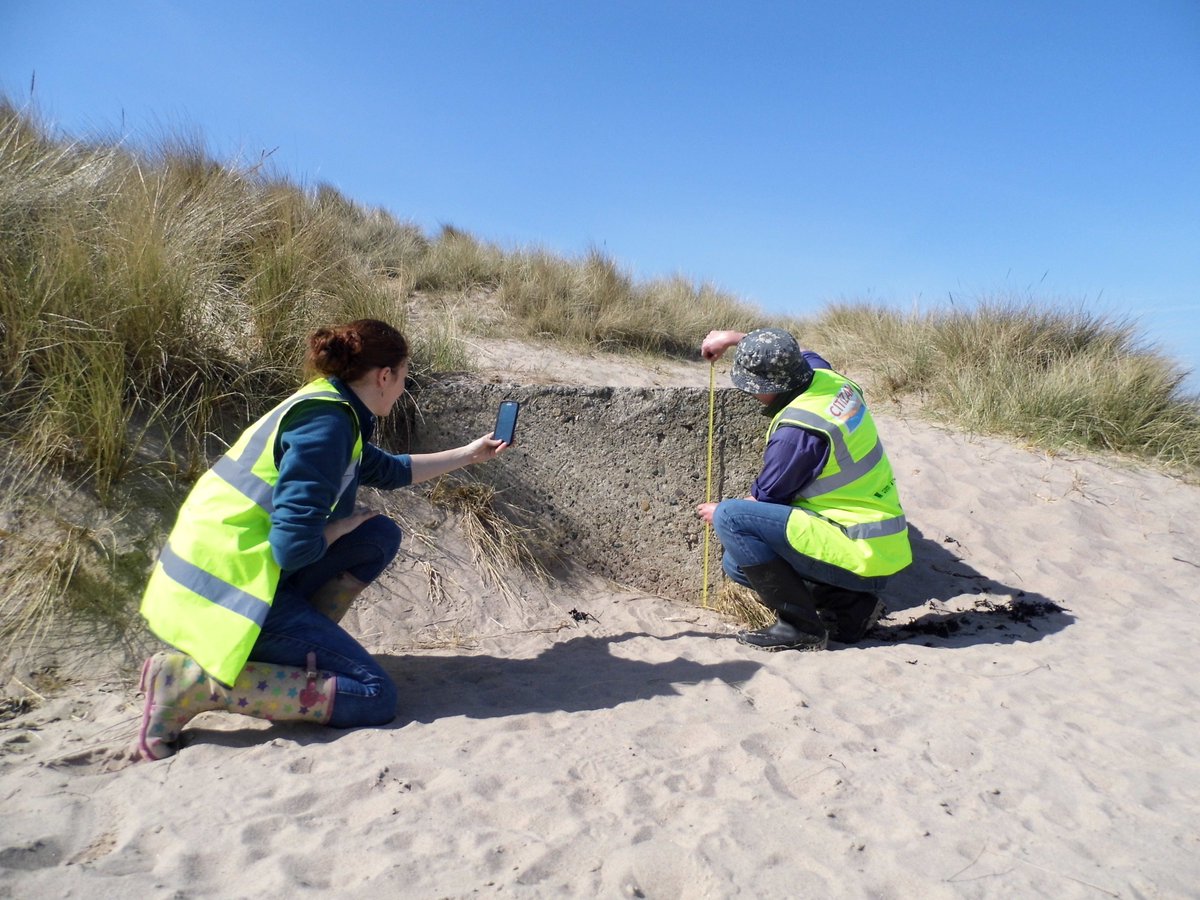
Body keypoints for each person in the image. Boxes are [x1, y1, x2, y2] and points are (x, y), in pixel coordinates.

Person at [135, 319, 508, 760]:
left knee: (377, 534)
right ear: (384, 376)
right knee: (374, 696)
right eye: (403, 376)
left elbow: (388, 471)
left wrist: (470, 453)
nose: (403, 388)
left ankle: (292, 654)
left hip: (222, 578)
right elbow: (291, 548)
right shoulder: (327, 426)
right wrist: (334, 529)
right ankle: (189, 684)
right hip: (232, 593)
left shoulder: (331, 409)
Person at [695, 328, 912, 652]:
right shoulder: (828, 379)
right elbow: (794, 351)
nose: (752, 394)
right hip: (883, 546)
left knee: (731, 523)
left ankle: (801, 627)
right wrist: (733, 338)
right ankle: (851, 606)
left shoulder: (798, 433)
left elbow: (762, 501)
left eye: (754, 388)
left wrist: (721, 513)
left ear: (772, 386)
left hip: (857, 549)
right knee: (736, 559)